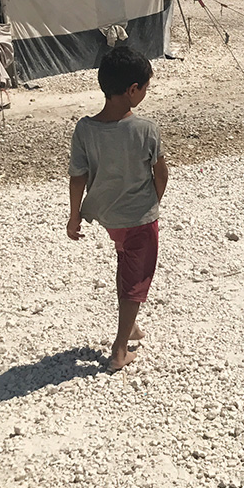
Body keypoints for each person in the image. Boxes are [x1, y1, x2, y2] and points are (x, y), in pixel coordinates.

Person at [67, 46, 169, 371]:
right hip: (139, 218)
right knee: (137, 280)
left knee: (126, 265)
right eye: (145, 89)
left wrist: (74, 216)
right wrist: (153, 201)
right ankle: (120, 349)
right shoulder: (145, 130)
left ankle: (132, 326)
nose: (145, 94)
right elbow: (161, 172)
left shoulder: (84, 129)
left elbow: (77, 177)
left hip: (110, 219)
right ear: (132, 90)